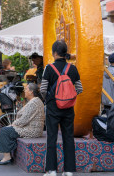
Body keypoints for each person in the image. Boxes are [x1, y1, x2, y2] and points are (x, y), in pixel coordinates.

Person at [40, 40, 83, 176]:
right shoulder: (73, 68)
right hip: (69, 108)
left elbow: (43, 89)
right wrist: (68, 96)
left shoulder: (49, 68)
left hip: (53, 108)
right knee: (68, 137)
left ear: (54, 53)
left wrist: (49, 99)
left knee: (51, 137)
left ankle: (52, 170)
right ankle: (69, 170)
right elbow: (80, 89)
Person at [0, 83, 45, 165]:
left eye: (26, 89)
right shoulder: (34, 101)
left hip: (32, 130)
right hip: (29, 127)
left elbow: (24, 120)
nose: (24, 91)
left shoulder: (34, 103)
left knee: (5, 131)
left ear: (31, 92)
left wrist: (13, 125)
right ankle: (8, 155)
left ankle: (7, 157)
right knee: (7, 130)